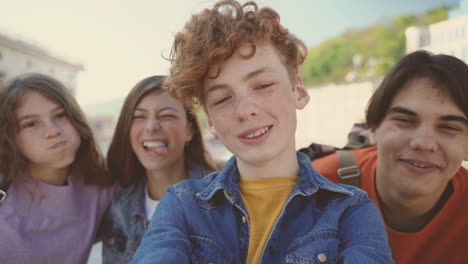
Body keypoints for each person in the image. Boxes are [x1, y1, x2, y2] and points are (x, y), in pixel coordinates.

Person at [130, 1, 393, 263]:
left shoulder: (351, 212)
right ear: (210, 121)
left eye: (263, 85)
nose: (246, 110)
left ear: (298, 92)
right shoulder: (181, 207)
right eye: (222, 99)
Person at [313, 50, 468, 263]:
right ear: (374, 127)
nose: (423, 142)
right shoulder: (314, 189)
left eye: (449, 127)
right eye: (405, 120)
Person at [0, 74, 116, 264]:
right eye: (31, 123)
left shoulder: (102, 187)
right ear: (10, 137)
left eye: (60, 115)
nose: (53, 130)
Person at [101, 75, 216, 263]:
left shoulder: (223, 197)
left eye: (166, 115)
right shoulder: (118, 208)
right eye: (139, 117)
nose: (151, 126)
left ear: (189, 131)